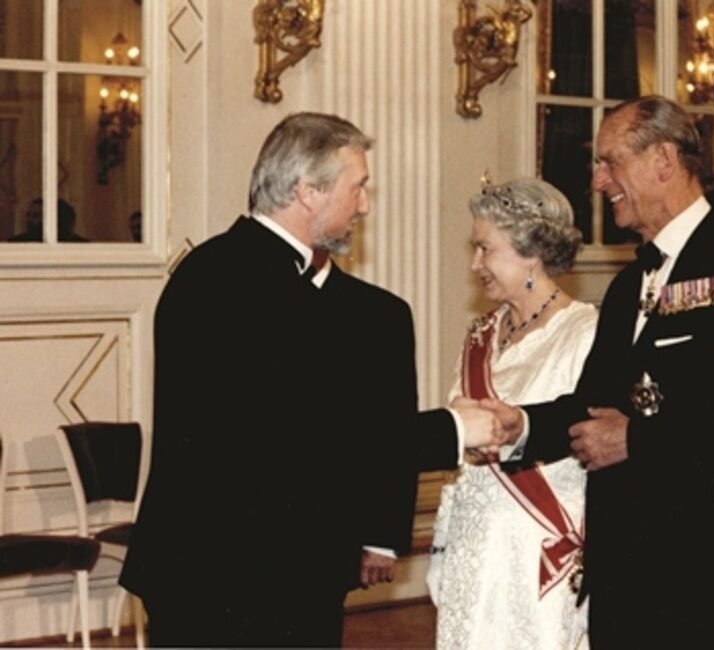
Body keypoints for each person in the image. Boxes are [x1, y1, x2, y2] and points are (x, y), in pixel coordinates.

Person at [119, 112, 500, 648]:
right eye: (357, 187)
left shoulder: (245, 271)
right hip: (227, 578)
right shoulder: (228, 281)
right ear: (307, 190)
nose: (364, 205)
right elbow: (309, 434)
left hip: (274, 568)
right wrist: (453, 430)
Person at [483, 95, 714, 648]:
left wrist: (638, 441)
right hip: (619, 573)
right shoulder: (630, 285)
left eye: (610, 162)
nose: (598, 181)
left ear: (664, 160)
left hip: (691, 573)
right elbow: (592, 407)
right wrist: (520, 424)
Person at [427, 177, 597, 649]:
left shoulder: (584, 333)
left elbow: (585, 440)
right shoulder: (480, 335)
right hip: (474, 548)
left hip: (539, 555)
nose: (474, 263)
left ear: (531, 251)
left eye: (485, 248)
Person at [8, 198, 88, 242]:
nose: (29, 220)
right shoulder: (17, 244)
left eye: (36, 216)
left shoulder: (79, 246)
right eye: (28, 215)